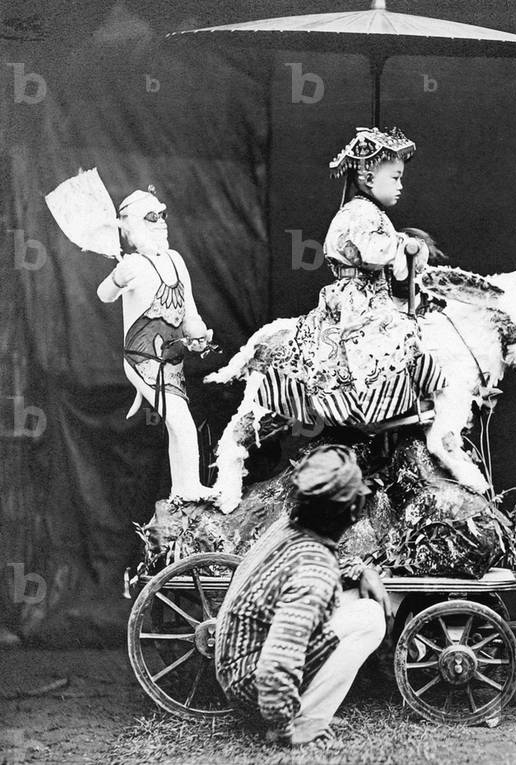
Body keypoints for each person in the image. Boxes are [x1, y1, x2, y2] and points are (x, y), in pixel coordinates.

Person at [252, 126, 445, 432]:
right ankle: (378, 408)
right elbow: (372, 251)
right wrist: (403, 245)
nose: (400, 186)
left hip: (371, 291)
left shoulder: (372, 212)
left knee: (409, 325)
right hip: (357, 296)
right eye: (395, 178)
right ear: (368, 179)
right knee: (392, 332)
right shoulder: (359, 212)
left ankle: (405, 400)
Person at [215, 444, 390, 747]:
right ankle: (303, 719)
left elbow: (327, 555)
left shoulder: (291, 526)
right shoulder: (315, 570)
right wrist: (283, 728)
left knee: (360, 606)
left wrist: (362, 570)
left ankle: (297, 710)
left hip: (239, 661)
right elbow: (276, 662)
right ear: (352, 511)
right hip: (254, 681)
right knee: (369, 618)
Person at [96, 188, 213, 500]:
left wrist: (199, 335)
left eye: (162, 215)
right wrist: (118, 278)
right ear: (133, 225)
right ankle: (190, 489)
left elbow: (189, 314)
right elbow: (103, 295)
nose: (161, 222)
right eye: (152, 217)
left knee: (179, 424)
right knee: (182, 423)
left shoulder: (175, 260)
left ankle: (182, 489)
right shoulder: (131, 265)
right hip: (142, 357)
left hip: (172, 357)